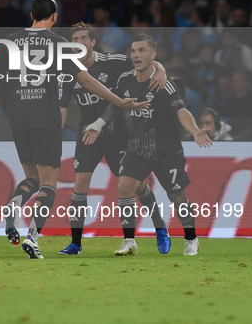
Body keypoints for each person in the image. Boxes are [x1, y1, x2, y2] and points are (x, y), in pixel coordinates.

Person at [0, 0, 148, 259]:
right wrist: (117, 100)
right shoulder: (58, 44)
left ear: (32, 15)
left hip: (18, 118)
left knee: (32, 179)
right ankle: (32, 237)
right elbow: (86, 79)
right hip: (45, 118)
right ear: (54, 17)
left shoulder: (10, 40)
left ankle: (15, 203)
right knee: (49, 185)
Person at [83, 34, 213, 256]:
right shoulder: (125, 79)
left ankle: (191, 238)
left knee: (177, 196)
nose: (136, 55)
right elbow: (116, 104)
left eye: (142, 50)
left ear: (153, 54)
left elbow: (181, 111)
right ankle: (129, 240)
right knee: (124, 187)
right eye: (133, 50)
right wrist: (98, 123)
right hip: (139, 147)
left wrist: (194, 131)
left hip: (167, 150)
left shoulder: (163, 83)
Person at [58, 23, 171, 256]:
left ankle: (158, 227)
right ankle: (76, 244)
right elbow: (63, 108)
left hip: (118, 131)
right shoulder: (68, 69)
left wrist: (161, 69)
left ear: (92, 42)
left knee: (134, 185)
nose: (79, 42)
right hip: (88, 131)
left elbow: (144, 61)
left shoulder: (114, 61)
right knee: (80, 186)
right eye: (74, 39)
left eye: (83, 38)